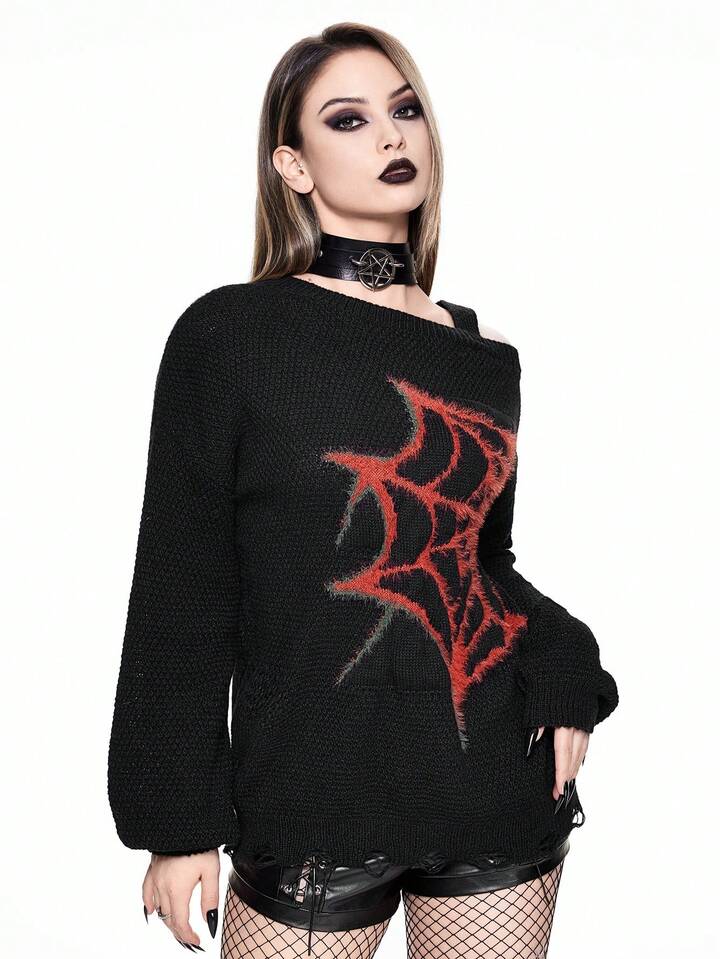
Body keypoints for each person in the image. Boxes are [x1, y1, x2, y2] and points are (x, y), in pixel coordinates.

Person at [107, 21, 619, 958]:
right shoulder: (229, 336)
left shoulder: (481, 355)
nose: (391, 135)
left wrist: (566, 656)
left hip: (491, 791)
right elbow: (182, 588)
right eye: (349, 119)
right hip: (310, 799)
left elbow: (481, 560)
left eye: (405, 110)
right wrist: (175, 822)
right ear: (293, 166)